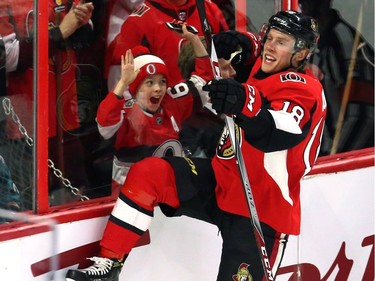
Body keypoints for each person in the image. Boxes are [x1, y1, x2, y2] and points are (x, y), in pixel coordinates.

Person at [65, 10, 326, 281]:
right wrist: (243, 43)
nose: (270, 46)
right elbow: (256, 49)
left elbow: (279, 131)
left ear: (301, 53)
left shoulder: (303, 89)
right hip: (222, 183)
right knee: (151, 173)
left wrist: (244, 106)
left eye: (281, 41)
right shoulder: (266, 63)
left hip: (260, 211)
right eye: (268, 38)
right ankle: (109, 265)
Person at [96, 23, 214, 193]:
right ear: (135, 86)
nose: (158, 89)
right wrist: (122, 83)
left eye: (162, 81)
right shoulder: (126, 112)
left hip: (171, 190)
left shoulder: (172, 101)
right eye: (149, 83)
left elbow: (205, 82)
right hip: (132, 196)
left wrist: (195, 40)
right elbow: (104, 125)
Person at [0, 0, 95, 207]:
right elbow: (8, 58)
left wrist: (82, 22)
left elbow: (86, 36)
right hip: (25, 123)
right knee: (28, 202)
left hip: (67, 117)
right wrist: (61, 32)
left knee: (76, 194)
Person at [106, 0, 229, 96]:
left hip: (211, 112)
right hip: (164, 117)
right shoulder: (137, 22)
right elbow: (120, 82)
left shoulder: (210, 10)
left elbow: (229, 64)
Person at [299, 0, 374, 155]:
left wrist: (333, 159)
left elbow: (362, 116)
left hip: (340, 168)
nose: (300, 6)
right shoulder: (308, 43)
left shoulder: (344, 41)